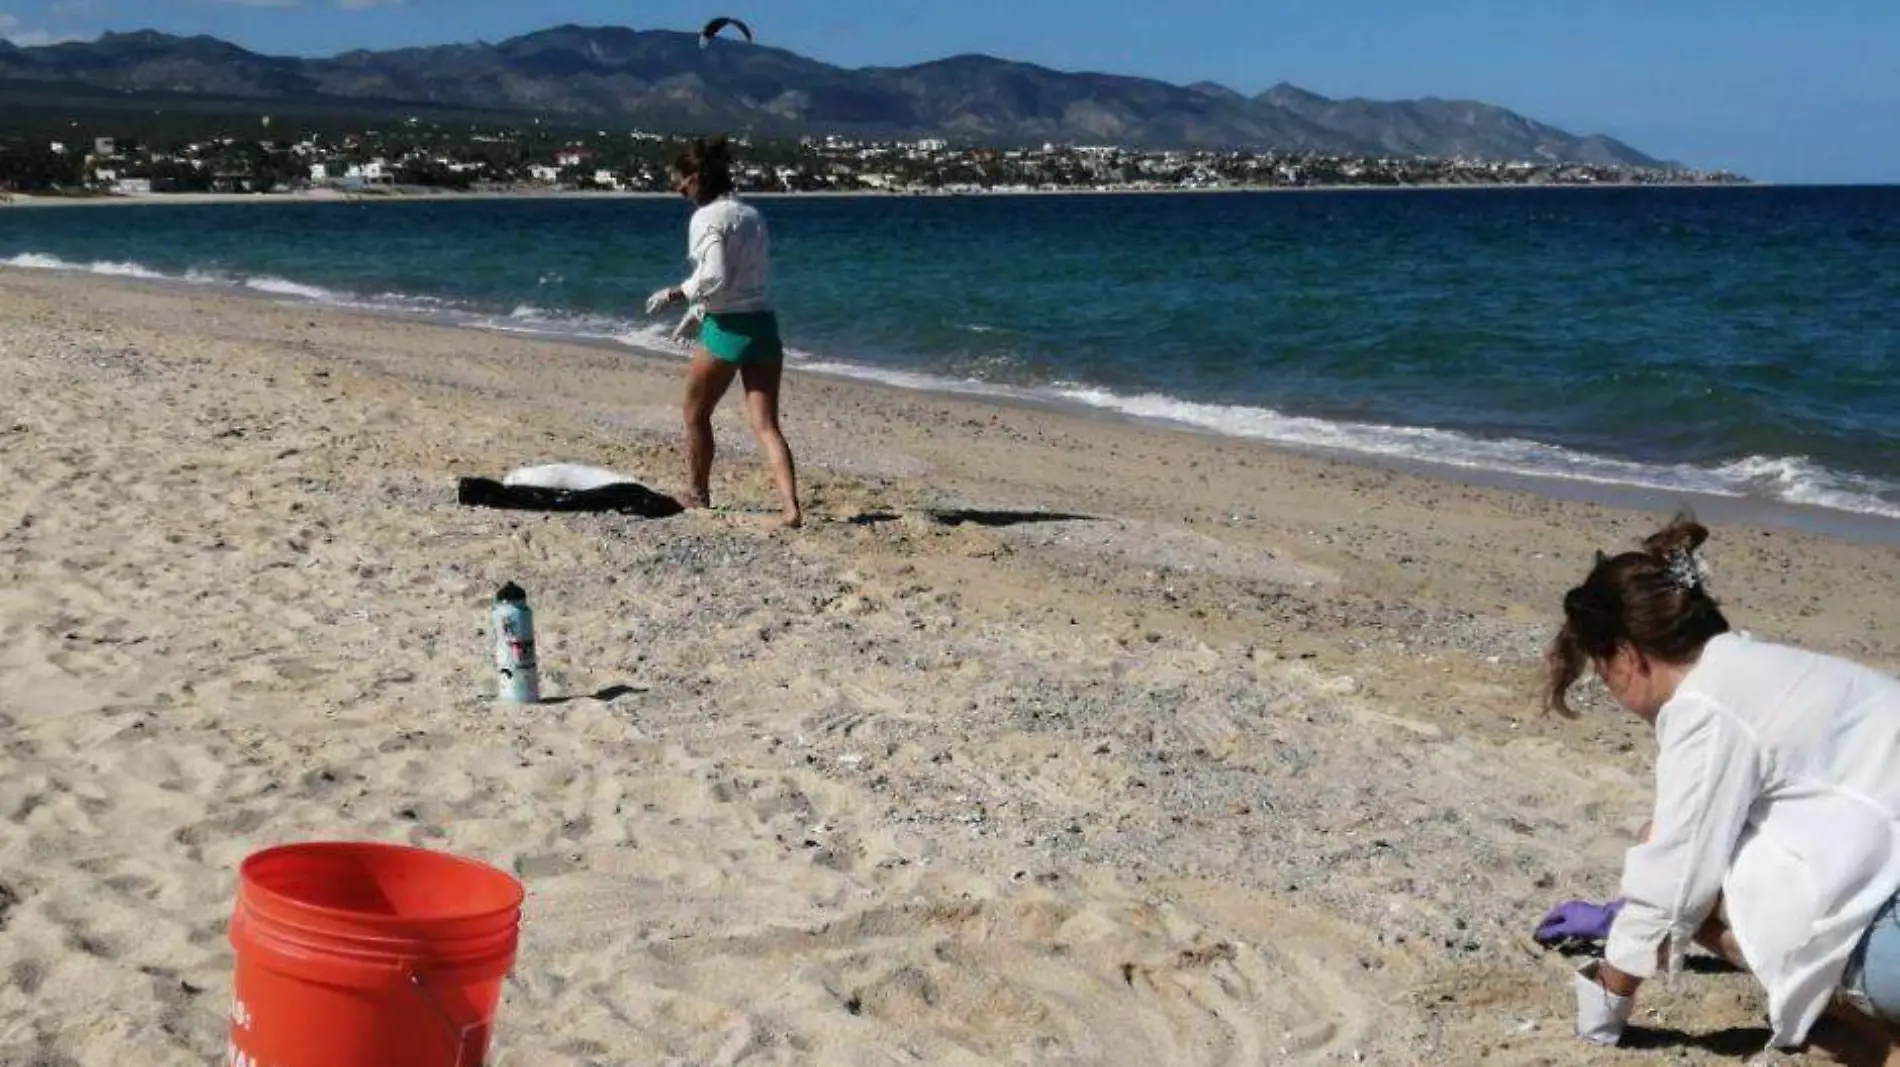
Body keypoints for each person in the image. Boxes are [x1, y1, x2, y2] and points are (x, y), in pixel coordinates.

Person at [1539, 514, 1900, 1064]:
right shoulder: (1762, 666)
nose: (1609, 688)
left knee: (1693, 883)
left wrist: (1606, 1001)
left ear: (1629, 656)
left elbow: (1674, 883)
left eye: (1603, 670)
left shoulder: (1705, 708)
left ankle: (1878, 1039)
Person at [646, 136, 801, 528]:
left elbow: (714, 273)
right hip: (764, 325)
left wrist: (677, 293)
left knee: (695, 413)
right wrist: (699, 309)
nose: (677, 189)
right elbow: (746, 277)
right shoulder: (752, 215)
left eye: (681, 181)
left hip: (727, 329)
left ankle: (697, 492)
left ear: (696, 177)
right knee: (766, 425)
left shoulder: (706, 218)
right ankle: (791, 508)